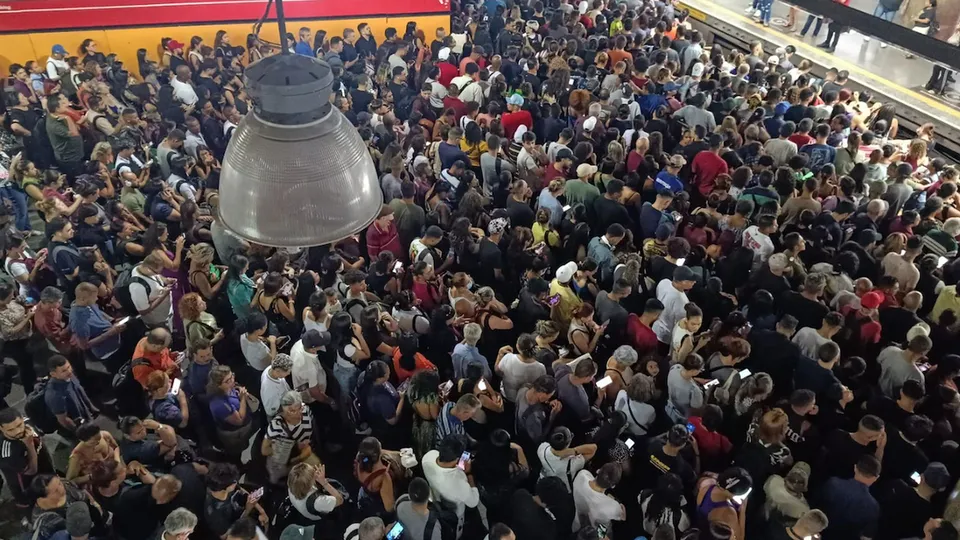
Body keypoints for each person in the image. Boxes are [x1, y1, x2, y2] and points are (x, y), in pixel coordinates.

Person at [422, 434, 481, 539]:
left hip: (435, 500)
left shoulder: (428, 457)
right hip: (455, 514)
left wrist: (458, 468)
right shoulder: (459, 482)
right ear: (457, 459)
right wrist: (468, 474)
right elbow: (473, 502)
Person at [571, 462, 626, 532]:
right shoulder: (614, 507)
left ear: (598, 470)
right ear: (613, 486)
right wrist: (620, 505)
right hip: (595, 534)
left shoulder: (582, 474)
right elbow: (623, 518)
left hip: (575, 526)